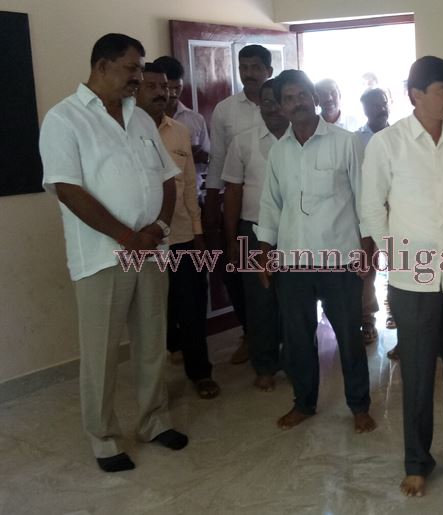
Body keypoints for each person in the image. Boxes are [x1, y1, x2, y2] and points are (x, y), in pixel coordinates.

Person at [39, 33, 188, 472]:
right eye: (132, 68)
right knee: (101, 352)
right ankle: (103, 438)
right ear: (102, 66)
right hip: (104, 256)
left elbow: (167, 178)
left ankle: (154, 421)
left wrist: (159, 228)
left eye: (140, 68)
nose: (139, 77)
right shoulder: (64, 119)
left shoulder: (138, 117)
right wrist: (126, 236)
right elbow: (67, 189)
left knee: (152, 341)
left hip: (152, 250)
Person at [361, 56, 443, 497]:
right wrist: (396, 256)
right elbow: (371, 208)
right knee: (417, 373)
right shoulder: (388, 144)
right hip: (411, 279)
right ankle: (417, 462)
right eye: (442, 89)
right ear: (415, 95)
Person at [254, 70, 376, 434]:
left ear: (314, 98)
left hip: (339, 258)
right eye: (289, 99)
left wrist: (367, 250)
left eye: (302, 95)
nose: (298, 103)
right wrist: (264, 252)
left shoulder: (346, 142)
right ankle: (303, 403)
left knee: (349, 336)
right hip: (293, 261)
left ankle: (359, 406)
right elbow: (270, 205)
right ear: (281, 107)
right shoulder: (279, 152)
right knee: (297, 338)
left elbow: (365, 199)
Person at [136, 62, 219, 399]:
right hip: (144, 239)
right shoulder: (124, 132)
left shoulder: (181, 131)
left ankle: (200, 373)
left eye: (166, 87)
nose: (163, 93)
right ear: (136, 90)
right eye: (153, 87)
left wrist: (198, 235)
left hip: (183, 236)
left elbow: (187, 188)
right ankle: (154, 386)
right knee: (150, 312)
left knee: (193, 305)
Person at [206, 45, 274, 364]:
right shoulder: (225, 110)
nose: (249, 73)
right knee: (245, 283)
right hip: (245, 211)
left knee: (286, 287)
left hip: (287, 216)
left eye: (256, 67)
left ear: (268, 71)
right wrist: (214, 211)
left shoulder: (282, 104)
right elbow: (218, 160)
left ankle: (290, 346)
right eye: (244, 67)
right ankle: (251, 337)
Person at [222, 79, 288, 391]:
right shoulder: (243, 141)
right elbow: (233, 191)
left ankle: (297, 360)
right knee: (260, 301)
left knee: (295, 300)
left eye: (277, 101)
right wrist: (232, 238)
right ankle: (265, 365)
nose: (271, 108)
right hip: (254, 230)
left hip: (295, 232)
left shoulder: (302, 139)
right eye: (266, 102)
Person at [355, 87, 397, 355]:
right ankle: (367, 319)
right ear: (364, 109)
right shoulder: (355, 139)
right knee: (367, 267)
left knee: (398, 264)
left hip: (396, 210)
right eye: (373, 104)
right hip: (366, 210)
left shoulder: (400, 136)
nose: (380, 108)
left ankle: (396, 311)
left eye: (383, 103)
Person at [152, 55, 211, 198]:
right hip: (155, 197)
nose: (173, 94)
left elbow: (207, 163)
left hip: (190, 196)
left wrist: (201, 157)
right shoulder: (142, 119)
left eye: (177, 88)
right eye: (167, 88)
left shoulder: (195, 119)